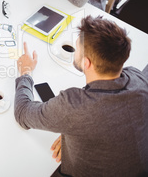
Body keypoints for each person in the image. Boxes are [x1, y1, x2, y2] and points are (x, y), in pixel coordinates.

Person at [14, 15, 148, 176]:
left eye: (77, 48)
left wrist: (26, 72)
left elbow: (22, 113)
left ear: (86, 63)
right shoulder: (138, 78)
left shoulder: (74, 106)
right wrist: (75, 132)